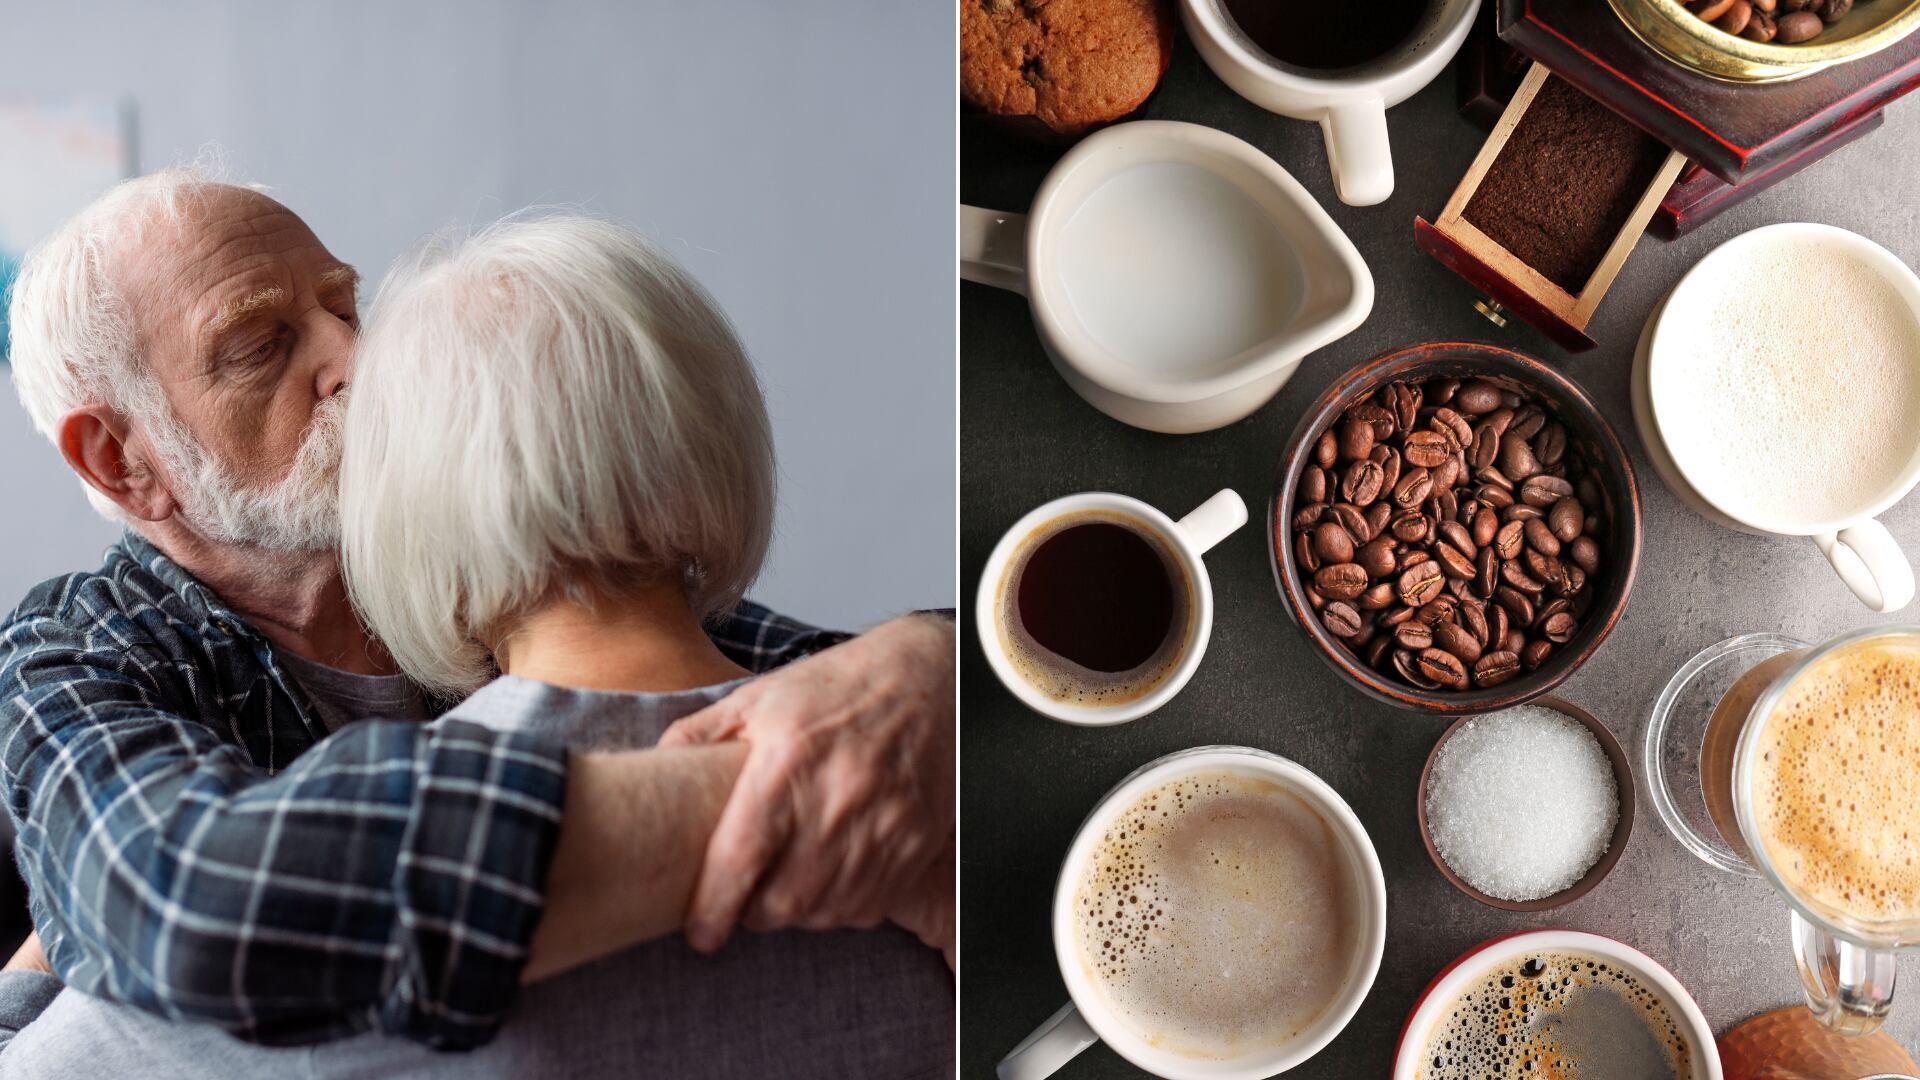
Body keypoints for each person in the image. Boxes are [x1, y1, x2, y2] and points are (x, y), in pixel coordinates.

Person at [0, 165, 954, 1046]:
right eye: (261, 344)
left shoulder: (504, 568)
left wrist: (928, 660)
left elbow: (790, 674)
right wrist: (778, 796)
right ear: (119, 460)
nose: (354, 356)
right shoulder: (72, 656)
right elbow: (195, 906)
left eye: (345, 304)